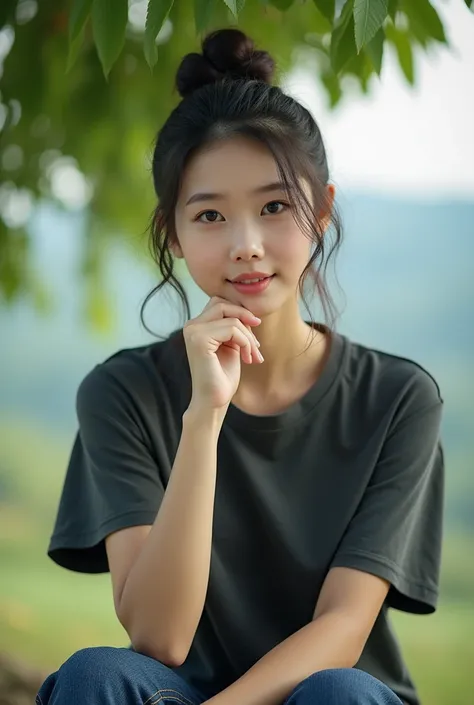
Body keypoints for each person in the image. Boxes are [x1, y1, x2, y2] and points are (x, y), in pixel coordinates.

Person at [36, 28, 444, 705]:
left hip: (324, 700)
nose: (246, 246)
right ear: (173, 232)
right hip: (175, 691)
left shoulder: (399, 398)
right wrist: (204, 417)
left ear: (321, 210)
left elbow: (344, 624)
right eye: (210, 215)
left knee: (340, 694)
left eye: (275, 206)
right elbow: (159, 640)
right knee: (95, 676)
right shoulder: (123, 392)